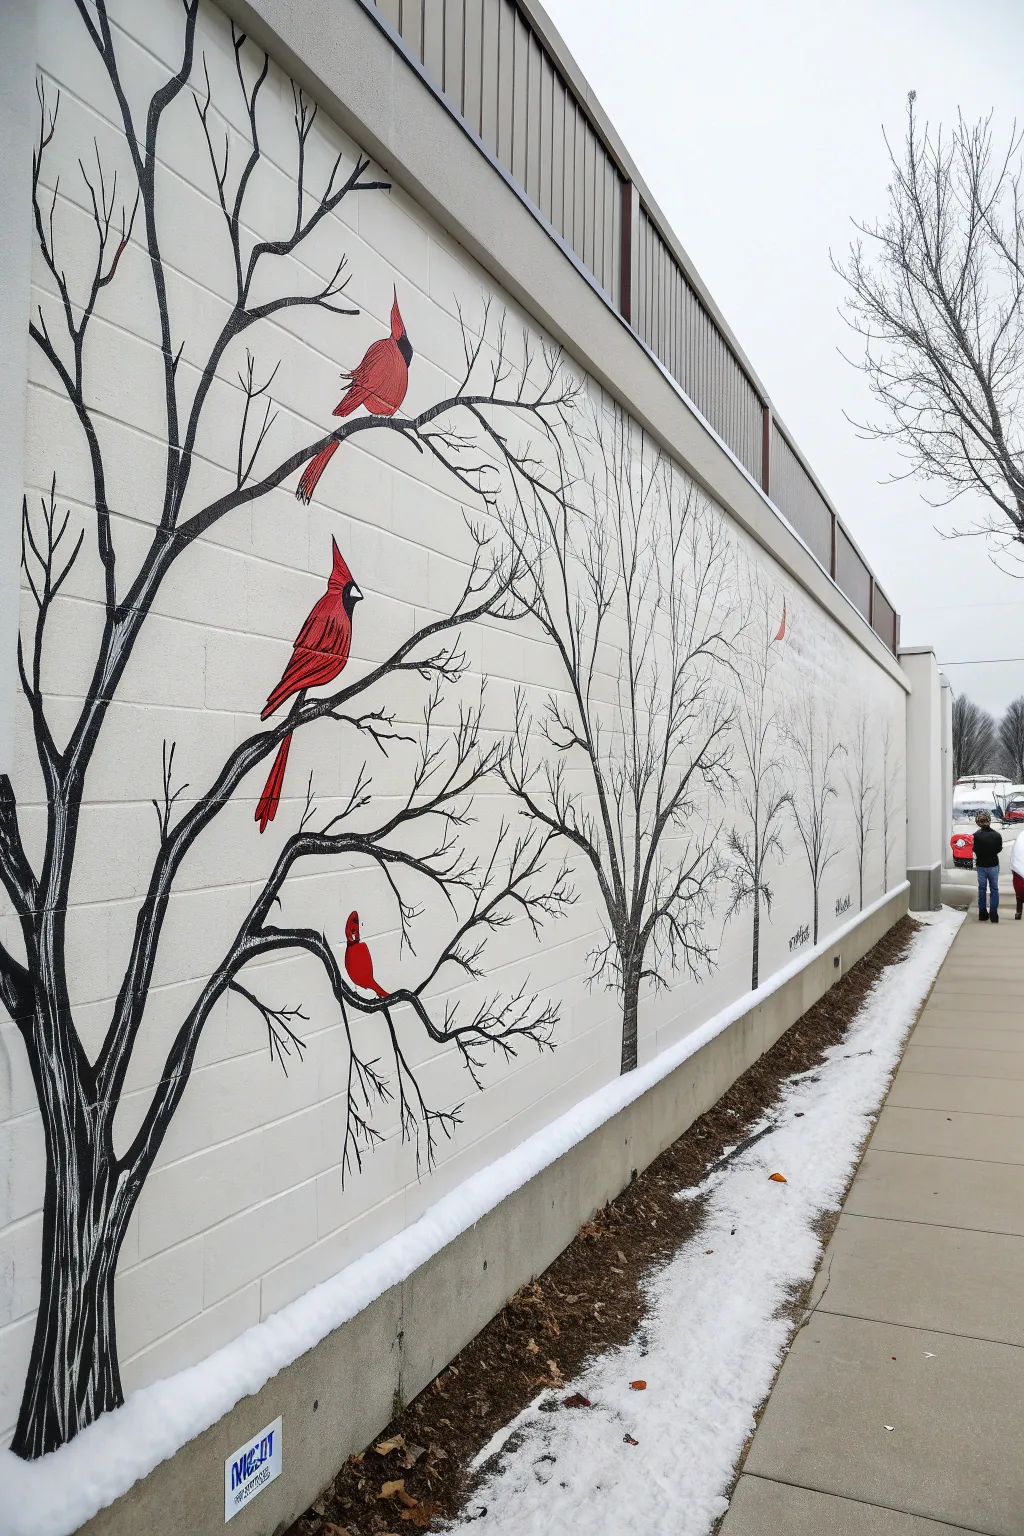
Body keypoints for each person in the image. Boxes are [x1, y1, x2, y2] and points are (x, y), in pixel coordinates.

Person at [973, 811, 1003, 922]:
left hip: (981, 865)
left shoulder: (976, 836)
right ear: (989, 821)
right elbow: (999, 849)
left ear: (979, 822)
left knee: (982, 889)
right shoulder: (996, 835)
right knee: (994, 889)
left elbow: (974, 849)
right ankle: (994, 914)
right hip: (993, 864)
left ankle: (982, 914)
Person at [1012, 831, 1024, 920]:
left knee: (1019, 891)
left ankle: (1018, 912)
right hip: (1019, 868)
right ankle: (1018, 912)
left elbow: (1015, 854)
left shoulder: (1020, 837)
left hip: (1018, 869)